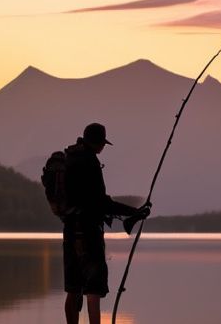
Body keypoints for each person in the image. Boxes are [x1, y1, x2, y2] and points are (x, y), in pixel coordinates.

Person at [63, 122, 151, 324]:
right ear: (98, 143)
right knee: (93, 289)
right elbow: (101, 202)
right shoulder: (90, 163)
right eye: (103, 143)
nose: (103, 147)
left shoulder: (71, 158)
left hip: (70, 232)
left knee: (73, 287)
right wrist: (133, 212)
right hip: (89, 234)